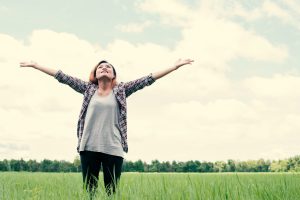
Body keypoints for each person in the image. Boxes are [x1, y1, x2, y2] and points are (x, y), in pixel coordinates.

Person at [19, 58, 194, 196]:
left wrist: (174, 67)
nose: (104, 68)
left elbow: (147, 79)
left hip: (113, 148)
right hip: (88, 147)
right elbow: (62, 77)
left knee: (112, 193)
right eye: (100, 67)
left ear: (113, 75)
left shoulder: (122, 90)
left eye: (108, 67)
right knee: (90, 193)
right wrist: (36, 65)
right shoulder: (88, 89)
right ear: (95, 73)